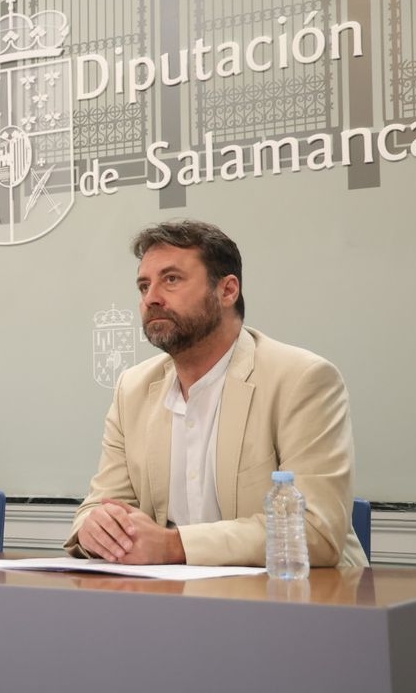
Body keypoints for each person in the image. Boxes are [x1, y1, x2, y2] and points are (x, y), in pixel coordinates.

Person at [65, 219, 367, 567]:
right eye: (144, 286)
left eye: (171, 279)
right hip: (167, 594)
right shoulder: (132, 389)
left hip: (299, 593)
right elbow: (101, 505)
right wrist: (95, 528)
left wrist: (175, 546)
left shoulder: (301, 379)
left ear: (227, 291)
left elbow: (315, 529)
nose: (151, 299)